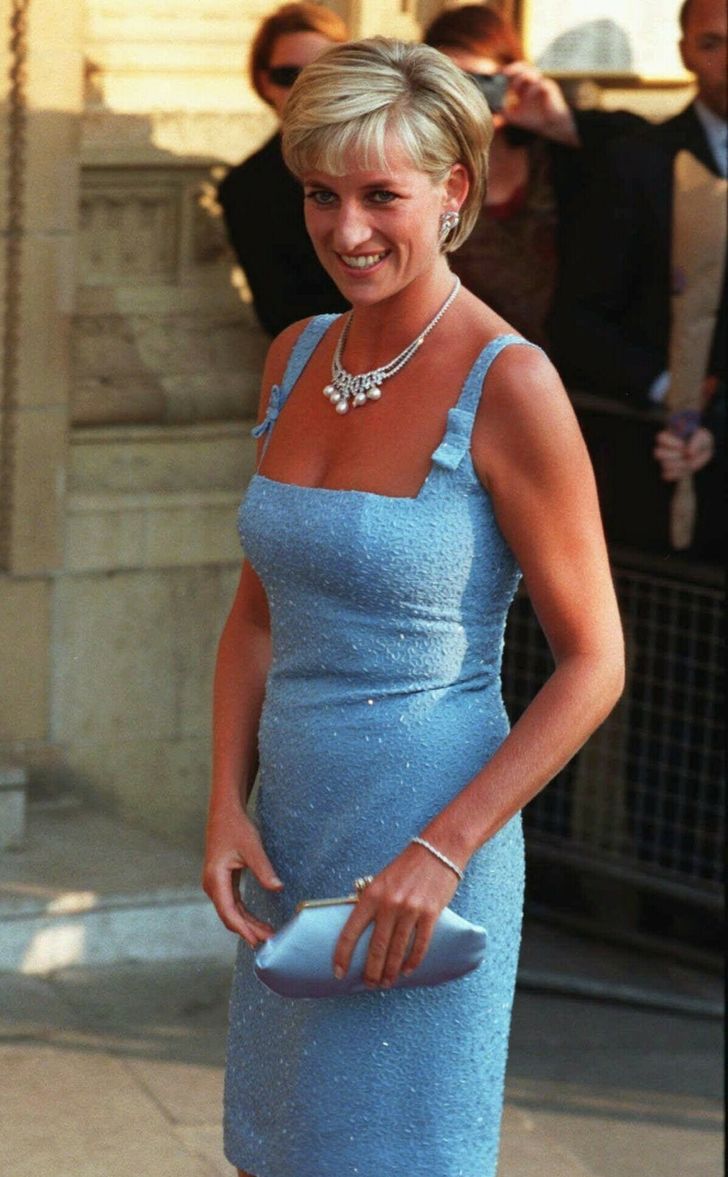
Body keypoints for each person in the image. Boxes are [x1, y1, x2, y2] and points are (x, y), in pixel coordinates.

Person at [202, 38, 624, 1177]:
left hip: (432, 835)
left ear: (451, 190)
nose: (346, 231)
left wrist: (443, 849)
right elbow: (256, 615)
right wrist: (224, 800)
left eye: (380, 196)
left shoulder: (512, 383)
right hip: (292, 830)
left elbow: (595, 661)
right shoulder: (293, 355)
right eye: (320, 194)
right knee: (272, 1151)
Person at [549, 0, 726, 561]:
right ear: (685, 53)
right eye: (712, 43)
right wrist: (668, 390)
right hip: (665, 462)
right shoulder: (637, 161)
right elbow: (577, 318)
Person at [423, 3, 645, 348]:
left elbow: (651, 153)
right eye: (449, 86)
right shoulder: (418, 168)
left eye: (479, 83)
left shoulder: (554, 158)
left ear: (510, 79)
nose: (464, 102)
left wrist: (561, 124)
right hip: (454, 355)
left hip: (567, 358)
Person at [217, 2, 349, 336]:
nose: (305, 90)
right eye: (289, 76)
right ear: (265, 82)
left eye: (320, 74)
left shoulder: (393, 153)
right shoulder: (248, 188)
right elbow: (282, 314)